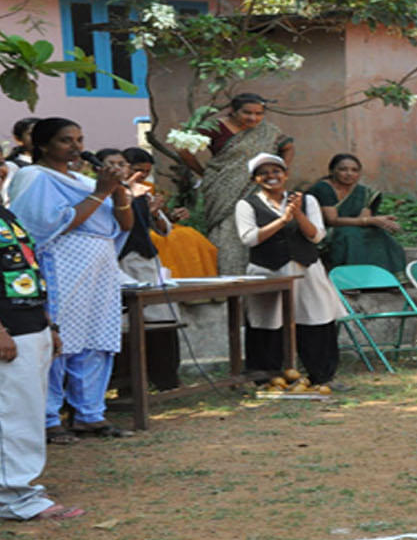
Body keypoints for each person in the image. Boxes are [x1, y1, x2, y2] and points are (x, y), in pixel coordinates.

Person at [0, 136, 85, 521]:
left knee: (20, 411)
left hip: (29, 324)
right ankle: (17, 496)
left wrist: (48, 325)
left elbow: (22, 269)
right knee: (6, 413)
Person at [6, 118, 137, 444]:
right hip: (61, 266)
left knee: (97, 340)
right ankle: (49, 418)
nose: (77, 147)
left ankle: (89, 414)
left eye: (80, 139)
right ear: (42, 145)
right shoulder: (32, 177)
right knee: (59, 344)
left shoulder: (82, 179)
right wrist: (101, 192)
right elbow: (43, 225)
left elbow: (123, 224)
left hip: (100, 269)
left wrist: (117, 191)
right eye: (66, 141)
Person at [235, 154, 346, 388]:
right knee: (267, 322)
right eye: (263, 173)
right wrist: (282, 220)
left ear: (285, 175)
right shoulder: (246, 205)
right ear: (255, 179)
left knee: (316, 319)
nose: (271, 176)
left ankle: (322, 376)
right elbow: (249, 239)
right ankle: (267, 378)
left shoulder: (307, 201)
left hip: (306, 268)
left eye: (276, 171)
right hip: (268, 270)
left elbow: (317, 235)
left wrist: (297, 215)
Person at [179, 92, 294, 274]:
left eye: (259, 113)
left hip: (257, 187)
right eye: (247, 113)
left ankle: (256, 281)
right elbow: (184, 149)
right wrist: (204, 173)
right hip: (222, 188)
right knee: (226, 231)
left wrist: (278, 173)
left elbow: (287, 147)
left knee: (256, 226)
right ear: (233, 111)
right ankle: (228, 279)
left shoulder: (268, 131)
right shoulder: (215, 127)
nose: (253, 118)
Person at [102, 148, 182, 392]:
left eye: (123, 164)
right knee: (126, 327)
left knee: (162, 321)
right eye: (113, 164)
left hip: (146, 262)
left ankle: (165, 378)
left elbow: (164, 230)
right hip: (119, 263)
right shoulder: (103, 194)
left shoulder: (143, 193)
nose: (138, 175)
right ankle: (126, 382)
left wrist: (155, 212)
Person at [122, 148, 217, 279]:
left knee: (189, 235)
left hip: (149, 241)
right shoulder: (114, 190)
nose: (142, 175)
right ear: (125, 167)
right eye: (138, 170)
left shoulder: (147, 190)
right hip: (128, 246)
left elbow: (164, 225)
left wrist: (162, 215)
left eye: (147, 172)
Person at [307, 153, 407, 274]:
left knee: (379, 235)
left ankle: (386, 278)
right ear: (332, 171)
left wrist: (379, 222)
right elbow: (332, 220)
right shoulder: (323, 188)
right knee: (350, 235)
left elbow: (364, 217)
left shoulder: (363, 192)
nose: (349, 174)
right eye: (343, 169)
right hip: (325, 230)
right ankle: (349, 279)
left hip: (352, 227)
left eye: (354, 170)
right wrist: (371, 220)